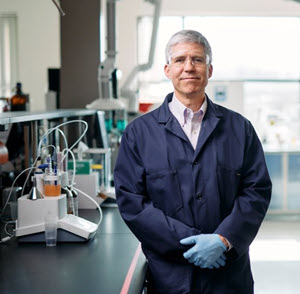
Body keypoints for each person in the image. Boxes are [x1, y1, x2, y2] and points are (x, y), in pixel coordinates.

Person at [114, 29, 272, 294]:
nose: (189, 67)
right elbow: (132, 201)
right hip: (169, 276)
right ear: (167, 69)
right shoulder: (138, 133)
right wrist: (186, 243)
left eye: (198, 60)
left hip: (228, 274)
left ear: (209, 70)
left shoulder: (239, 128)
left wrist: (223, 239)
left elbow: (256, 191)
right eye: (180, 60)